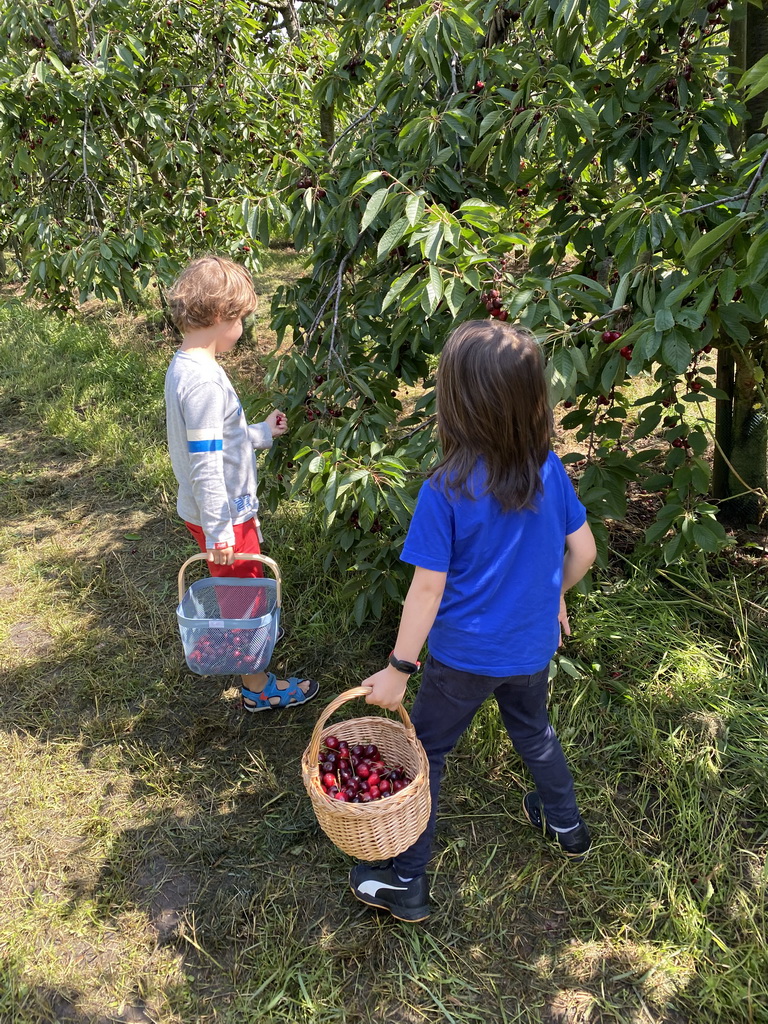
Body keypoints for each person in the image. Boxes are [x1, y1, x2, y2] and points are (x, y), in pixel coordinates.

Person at [349, 319, 596, 922]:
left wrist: (399, 670)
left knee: (426, 753)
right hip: (530, 650)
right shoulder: (549, 469)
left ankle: (406, 881)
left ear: (457, 403)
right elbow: (583, 552)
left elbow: (427, 589)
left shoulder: (447, 488)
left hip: (462, 659)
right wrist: (552, 595)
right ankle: (566, 825)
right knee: (533, 732)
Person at [164, 255, 318, 712]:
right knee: (244, 590)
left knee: (242, 587)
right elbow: (208, 465)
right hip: (223, 516)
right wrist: (219, 531)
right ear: (218, 317)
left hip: (215, 511)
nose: (243, 329)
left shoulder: (185, 367)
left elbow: (218, 443)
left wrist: (261, 433)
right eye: (241, 320)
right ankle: (256, 683)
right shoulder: (206, 381)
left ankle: (250, 627)